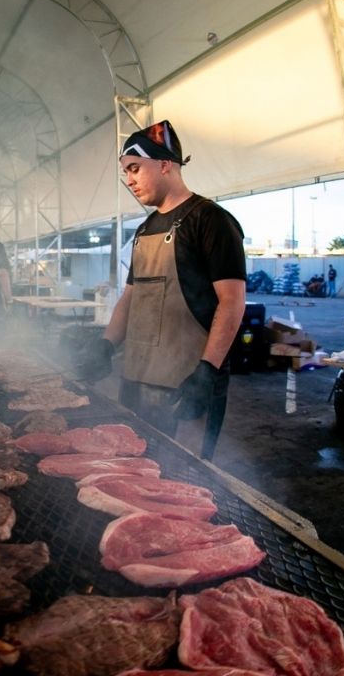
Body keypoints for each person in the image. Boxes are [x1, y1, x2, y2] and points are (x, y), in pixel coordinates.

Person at [76, 120, 245, 461]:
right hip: (138, 378)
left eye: (135, 169)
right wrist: (105, 346)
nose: (129, 181)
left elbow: (231, 302)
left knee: (182, 480)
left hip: (186, 385)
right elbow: (130, 297)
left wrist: (207, 372)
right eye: (125, 173)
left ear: (165, 164)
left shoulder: (210, 220)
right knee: (133, 469)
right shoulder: (144, 229)